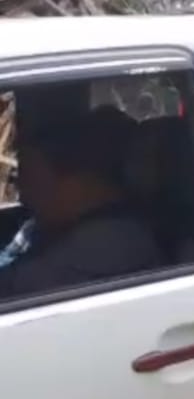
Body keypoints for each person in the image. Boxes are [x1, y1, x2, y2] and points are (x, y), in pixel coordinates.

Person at [0, 105, 165, 300]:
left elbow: (16, 287)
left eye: (29, 178)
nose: (22, 192)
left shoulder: (109, 243)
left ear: (76, 183)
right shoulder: (48, 225)